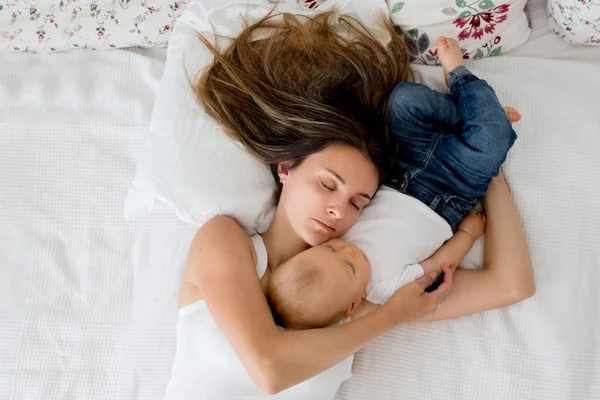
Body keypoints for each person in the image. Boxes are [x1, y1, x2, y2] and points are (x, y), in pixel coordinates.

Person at [164, 9, 535, 399]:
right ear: (286, 167)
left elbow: (511, 284)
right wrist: (392, 315)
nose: (339, 211)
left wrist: (489, 168)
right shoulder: (225, 240)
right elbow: (269, 370)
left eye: (359, 202)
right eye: (327, 184)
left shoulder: (361, 285)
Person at [266, 209, 486, 330]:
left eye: (331, 248)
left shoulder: (338, 233)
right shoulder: (386, 290)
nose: (347, 250)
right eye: (350, 267)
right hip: (446, 204)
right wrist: (467, 235)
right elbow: (437, 265)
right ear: (354, 303)